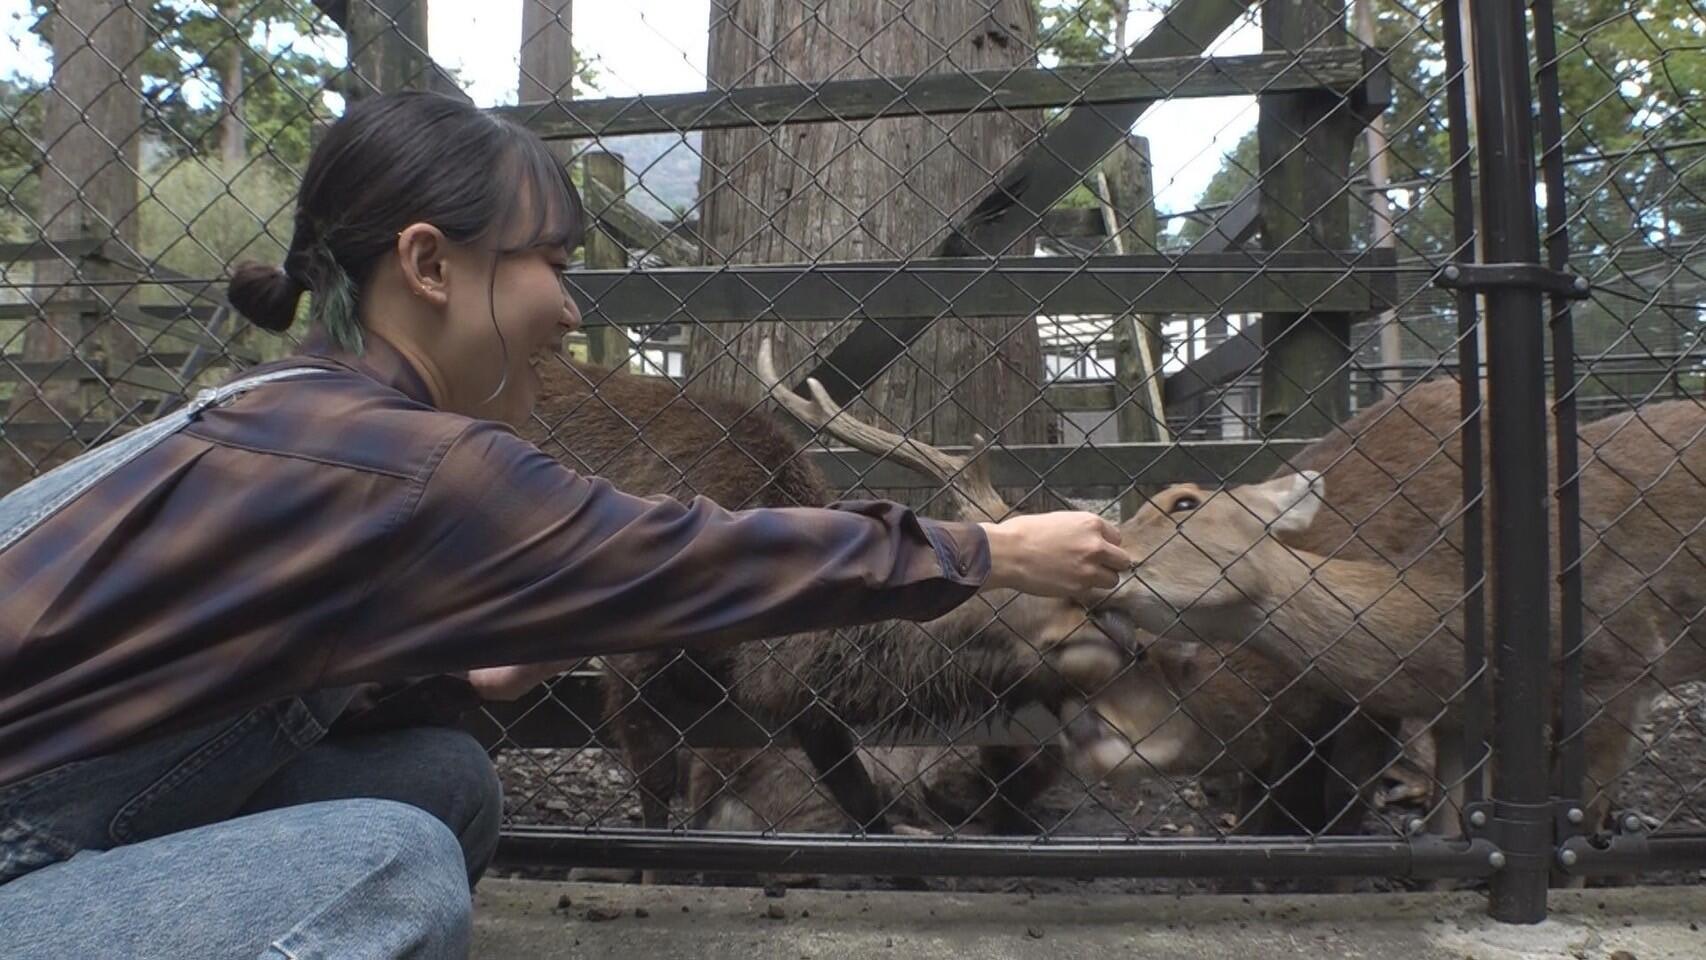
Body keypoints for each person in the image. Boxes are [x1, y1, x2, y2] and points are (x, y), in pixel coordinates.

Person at [0, 91, 1132, 958]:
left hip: (55, 816)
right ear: (429, 265)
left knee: (439, 778)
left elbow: (209, 668)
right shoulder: (418, 458)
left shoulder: (275, 408)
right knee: (386, 868)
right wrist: (988, 551)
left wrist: (437, 674)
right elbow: (684, 559)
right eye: (550, 261)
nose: (571, 303)